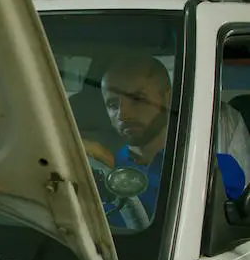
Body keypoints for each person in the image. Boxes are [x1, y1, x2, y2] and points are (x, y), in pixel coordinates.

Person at [97, 54, 247, 223]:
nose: (123, 114)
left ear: (169, 98)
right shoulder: (103, 168)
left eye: (137, 99)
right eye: (112, 105)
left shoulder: (212, 170)